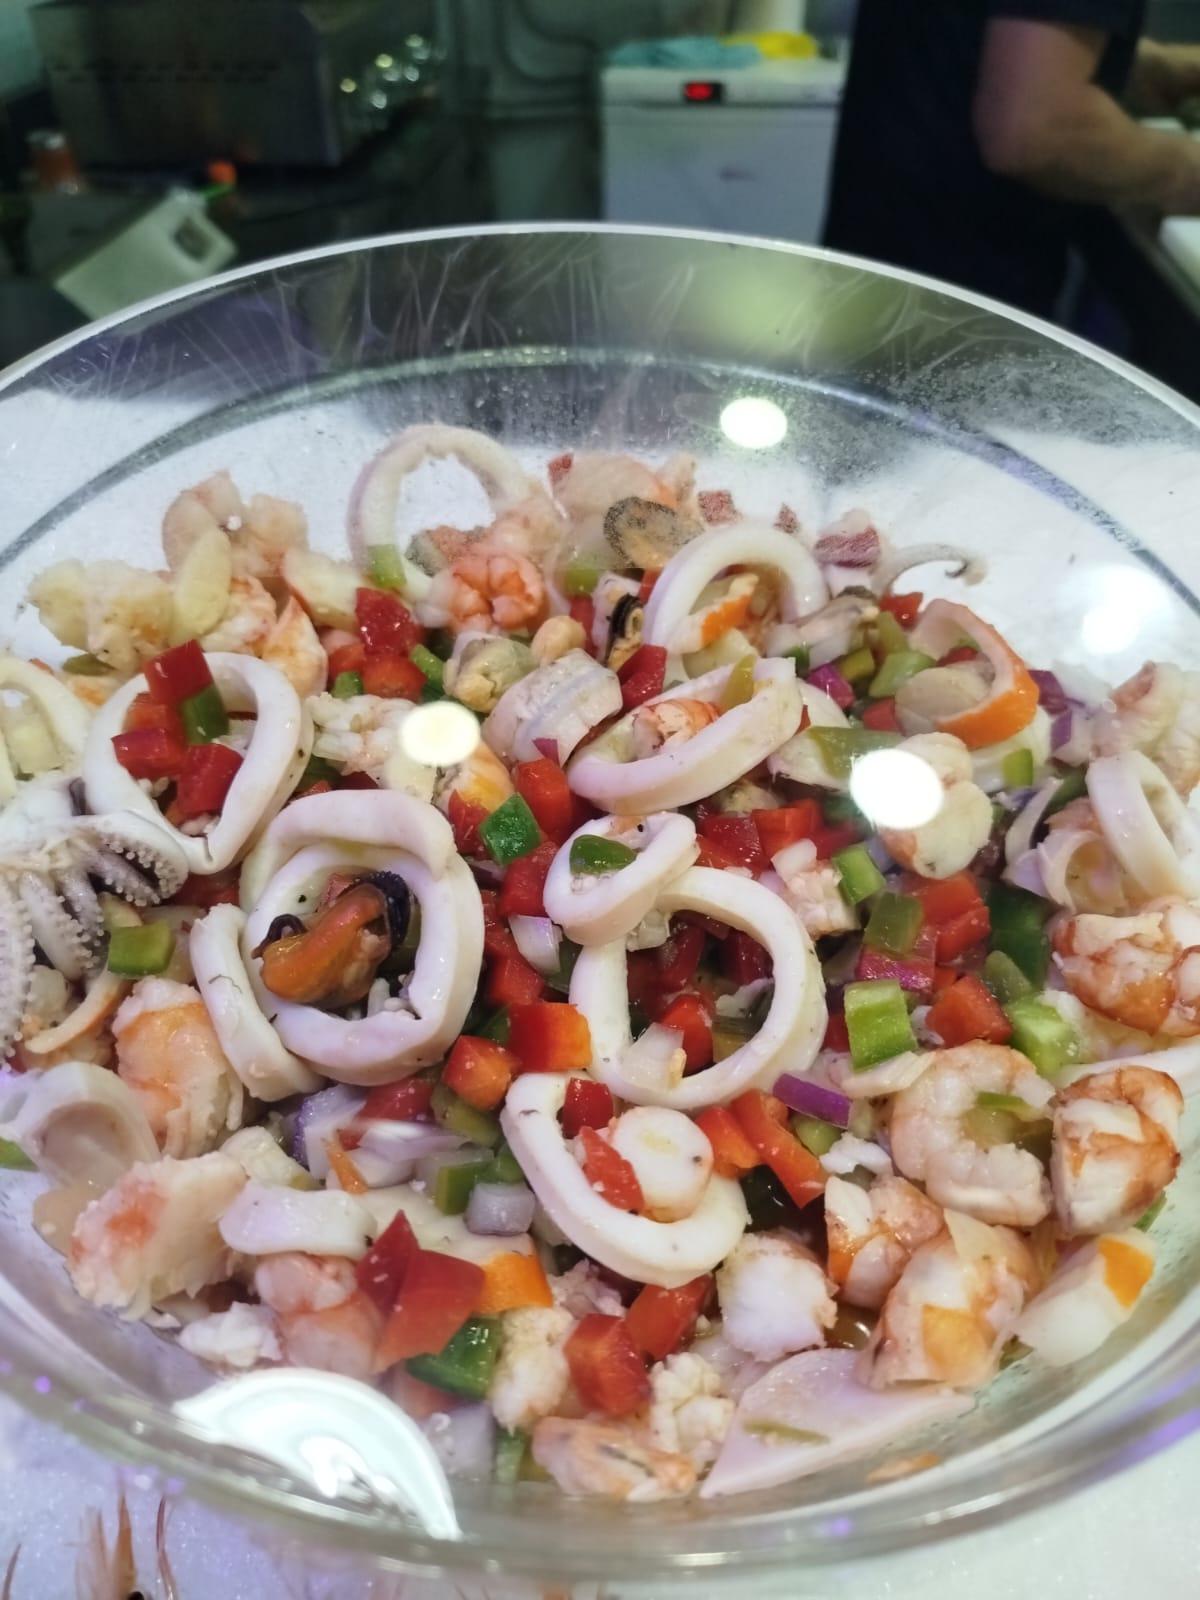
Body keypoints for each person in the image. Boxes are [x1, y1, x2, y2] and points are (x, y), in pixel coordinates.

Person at [823, 2, 1200, 317]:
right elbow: (1039, 131)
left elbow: (991, 35)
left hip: (878, 275)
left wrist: (1151, 68)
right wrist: (1185, 167)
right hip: (952, 307)